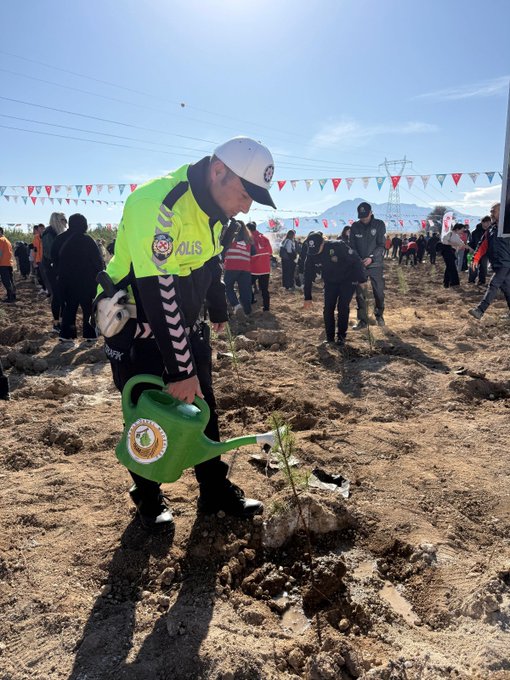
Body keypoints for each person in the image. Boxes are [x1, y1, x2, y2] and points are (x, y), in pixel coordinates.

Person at [100, 136, 276, 531]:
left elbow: (209, 263)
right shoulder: (159, 204)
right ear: (218, 171)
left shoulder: (218, 213)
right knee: (149, 413)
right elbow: (157, 291)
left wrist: (216, 309)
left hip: (184, 322)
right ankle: (147, 497)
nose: (247, 206)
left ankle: (213, 490)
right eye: (246, 193)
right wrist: (181, 370)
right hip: (136, 323)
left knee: (203, 407)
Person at [303, 231, 367, 346]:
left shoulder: (338, 246)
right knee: (328, 308)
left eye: (318, 248)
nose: (315, 253)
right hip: (330, 281)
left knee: (342, 306)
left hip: (348, 279)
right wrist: (307, 297)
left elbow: (356, 260)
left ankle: (341, 337)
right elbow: (307, 276)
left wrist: (362, 280)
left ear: (323, 243)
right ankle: (330, 338)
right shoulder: (311, 254)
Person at [54, 214, 104, 345]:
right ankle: (90, 335)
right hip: (86, 281)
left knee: (68, 308)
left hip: (65, 281)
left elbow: (53, 258)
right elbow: (98, 261)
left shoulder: (59, 239)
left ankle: (67, 336)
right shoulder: (87, 240)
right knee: (88, 308)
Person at [468, 203, 510, 320]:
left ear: (502, 212)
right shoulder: (491, 229)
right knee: (507, 289)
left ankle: (480, 310)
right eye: (491, 211)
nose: (491, 214)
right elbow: (482, 245)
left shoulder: (507, 226)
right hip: (497, 263)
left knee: (493, 284)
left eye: (493, 211)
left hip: (506, 263)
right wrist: (475, 258)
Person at [349, 202, 386, 328]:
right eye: (361, 216)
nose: (363, 219)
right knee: (360, 293)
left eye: (366, 215)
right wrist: (359, 260)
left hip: (376, 264)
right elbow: (352, 247)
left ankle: (379, 315)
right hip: (360, 266)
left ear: (371, 212)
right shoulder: (354, 226)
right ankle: (363, 320)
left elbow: (381, 245)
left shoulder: (379, 224)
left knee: (379, 292)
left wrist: (371, 258)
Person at [41, 213, 68, 331]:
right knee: (57, 295)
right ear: (57, 220)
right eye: (63, 220)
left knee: (64, 295)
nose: (65, 222)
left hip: (61, 269)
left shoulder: (59, 233)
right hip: (52, 270)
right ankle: (56, 323)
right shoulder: (49, 233)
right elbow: (49, 253)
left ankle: (63, 320)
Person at [223, 220, 254, 316]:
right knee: (245, 289)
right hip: (245, 267)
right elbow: (254, 253)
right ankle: (247, 311)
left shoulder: (230, 239)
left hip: (232, 265)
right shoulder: (248, 240)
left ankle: (236, 305)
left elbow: (222, 250)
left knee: (227, 287)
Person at [247, 221, 272, 312]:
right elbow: (270, 252)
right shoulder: (265, 238)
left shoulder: (249, 239)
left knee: (247, 285)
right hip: (265, 268)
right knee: (265, 289)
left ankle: (252, 300)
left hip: (253, 268)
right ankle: (266, 308)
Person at [441, 224, 473, 288]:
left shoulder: (456, 236)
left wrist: (470, 249)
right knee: (452, 267)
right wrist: (453, 244)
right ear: (457, 229)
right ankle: (454, 283)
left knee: (449, 268)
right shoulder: (450, 233)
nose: (462, 231)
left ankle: (447, 283)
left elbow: (462, 244)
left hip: (452, 252)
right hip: (447, 252)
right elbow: (444, 241)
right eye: (461, 230)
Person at [468, 216, 491, 285]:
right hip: (475, 252)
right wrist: (470, 249)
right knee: (473, 267)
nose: (488, 224)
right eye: (486, 222)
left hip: (485, 253)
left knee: (484, 268)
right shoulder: (474, 232)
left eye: (489, 222)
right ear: (482, 222)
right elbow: (471, 242)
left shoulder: (490, 232)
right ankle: (471, 280)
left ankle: (481, 281)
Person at [0, 228, 16, 303]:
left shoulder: (1, 240)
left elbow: (0, 253)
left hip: (3, 263)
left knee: (6, 281)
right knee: (10, 280)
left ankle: (10, 297)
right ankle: (13, 295)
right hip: (9, 263)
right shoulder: (7, 240)